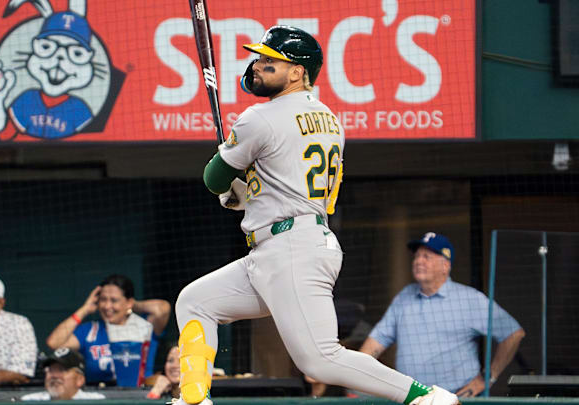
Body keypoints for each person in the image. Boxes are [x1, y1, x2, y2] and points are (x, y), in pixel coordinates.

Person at [172, 25, 460, 405]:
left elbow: (213, 178)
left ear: (297, 71)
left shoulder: (260, 116)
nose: (257, 66)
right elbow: (283, 181)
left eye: (269, 60)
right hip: (291, 242)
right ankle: (193, 398)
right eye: (258, 58)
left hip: (290, 247)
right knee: (195, 301)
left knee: (320, 359)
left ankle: (424, 396)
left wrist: (228, 181)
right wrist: (243, 194)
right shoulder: (329, 118)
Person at [360, 232, 526, 397]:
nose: (418, 261)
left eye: (427, 257)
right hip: (410, 399)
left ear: (445, 266)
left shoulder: (469, 299)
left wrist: (486, 378)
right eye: (417, 256)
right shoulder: (404, 297)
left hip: (454, 400)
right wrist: (353, 375)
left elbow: (513, 334)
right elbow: (376, 342)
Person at [46, 274, 170, 387]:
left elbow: (162, 309)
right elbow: (54, 343)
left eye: (114, 300)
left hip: (139, 394)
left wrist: (131, 305)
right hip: (99, 397)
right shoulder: (90, 330)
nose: (106, 306)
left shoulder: (144, 326)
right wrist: (85, 309)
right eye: (103, 299)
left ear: (129, 302)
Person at [21, 348, 106, 401]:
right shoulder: (30, 401)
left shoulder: (95, 401)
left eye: (62, 370)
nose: (54, 375)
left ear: (79, 380)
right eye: (51, 370)